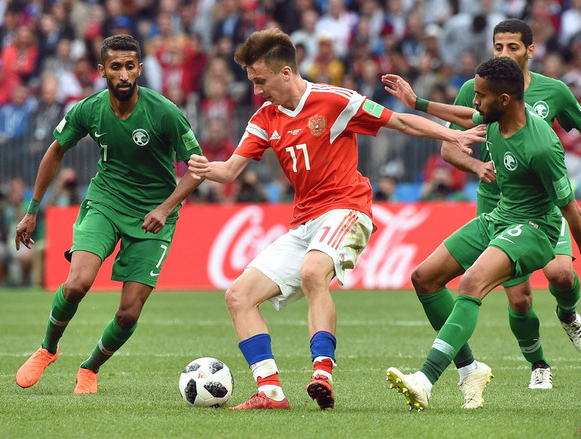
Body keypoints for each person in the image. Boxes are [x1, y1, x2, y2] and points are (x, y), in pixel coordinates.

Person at [187, 28, 486, 411]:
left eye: (260, 81)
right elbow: (229, 172)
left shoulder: (334, 101)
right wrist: (203, 167)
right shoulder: (265, 117)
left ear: (285, 73)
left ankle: (322, 374)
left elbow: (400, 122)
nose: (257, 90)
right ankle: (271, 392)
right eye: (252, 82)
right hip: (304, 222)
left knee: (314, 273)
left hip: (347, 209)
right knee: (238, 296)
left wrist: (452, 135)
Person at [382, 18, 581, 391]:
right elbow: (461, 122)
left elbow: (573, 210)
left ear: (529, 51)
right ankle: (477, 368)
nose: (474, 102)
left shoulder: (542, 140)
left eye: (512, 46)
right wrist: (416, 102)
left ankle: (426, 378)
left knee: (551, 276)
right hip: (497, 213)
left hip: (535, 223)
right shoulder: (493, 111)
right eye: (498, 46)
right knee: (428, 278)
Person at [14, 34, 203, 394]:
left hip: (153, 216)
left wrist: (165, 208)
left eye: (130, 66)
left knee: (128, 312)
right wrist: (32, 210)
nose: (124, 74)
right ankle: (47, 349)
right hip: (106, 202)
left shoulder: (164, 112)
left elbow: (197, 167)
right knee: (76, 284)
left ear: (140, 69)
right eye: (115, 66)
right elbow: (56, 150)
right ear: (102, 70)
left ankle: (89, 368)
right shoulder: (89, 109)